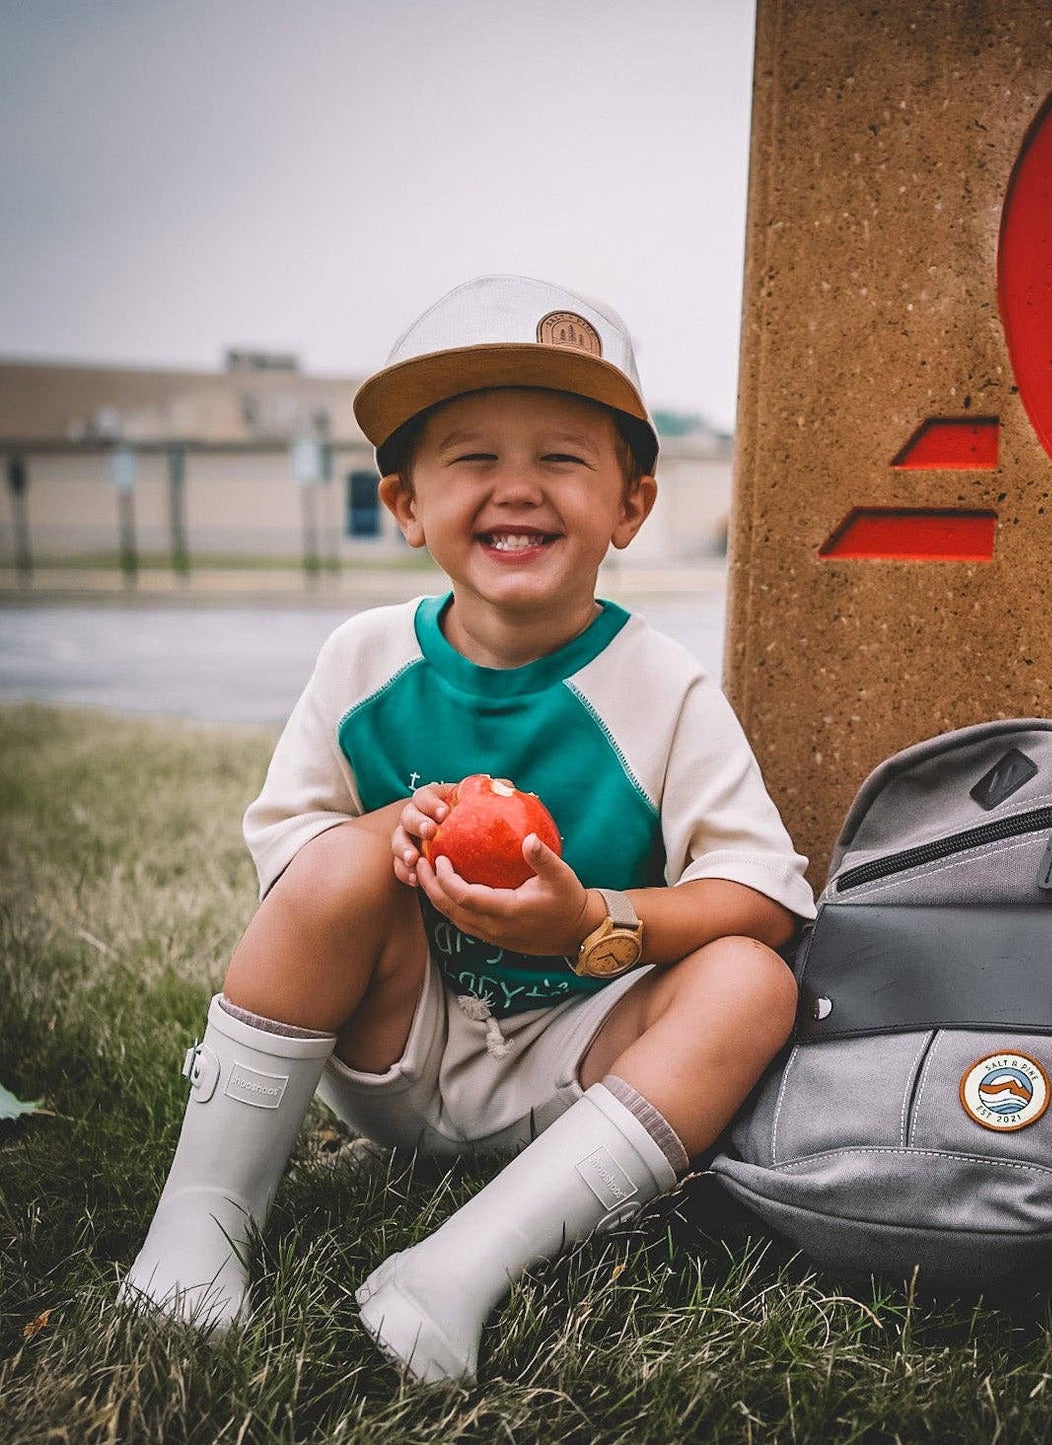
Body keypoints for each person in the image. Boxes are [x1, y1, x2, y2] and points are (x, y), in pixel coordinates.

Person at [119, 275, 815, 1383]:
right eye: (473, 457)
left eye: (562, 457)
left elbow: (764, 894)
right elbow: (289, 870)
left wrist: (592, 919)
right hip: (393, 1043)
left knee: (750, 978)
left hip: (578, 1067)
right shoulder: (362, 660)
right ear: (405, 502)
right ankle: (200, 1222)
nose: (516, 488)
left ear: (630, 505)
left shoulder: (661, 685)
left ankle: (459, 1265)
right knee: (342, 859)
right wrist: (391, 830)